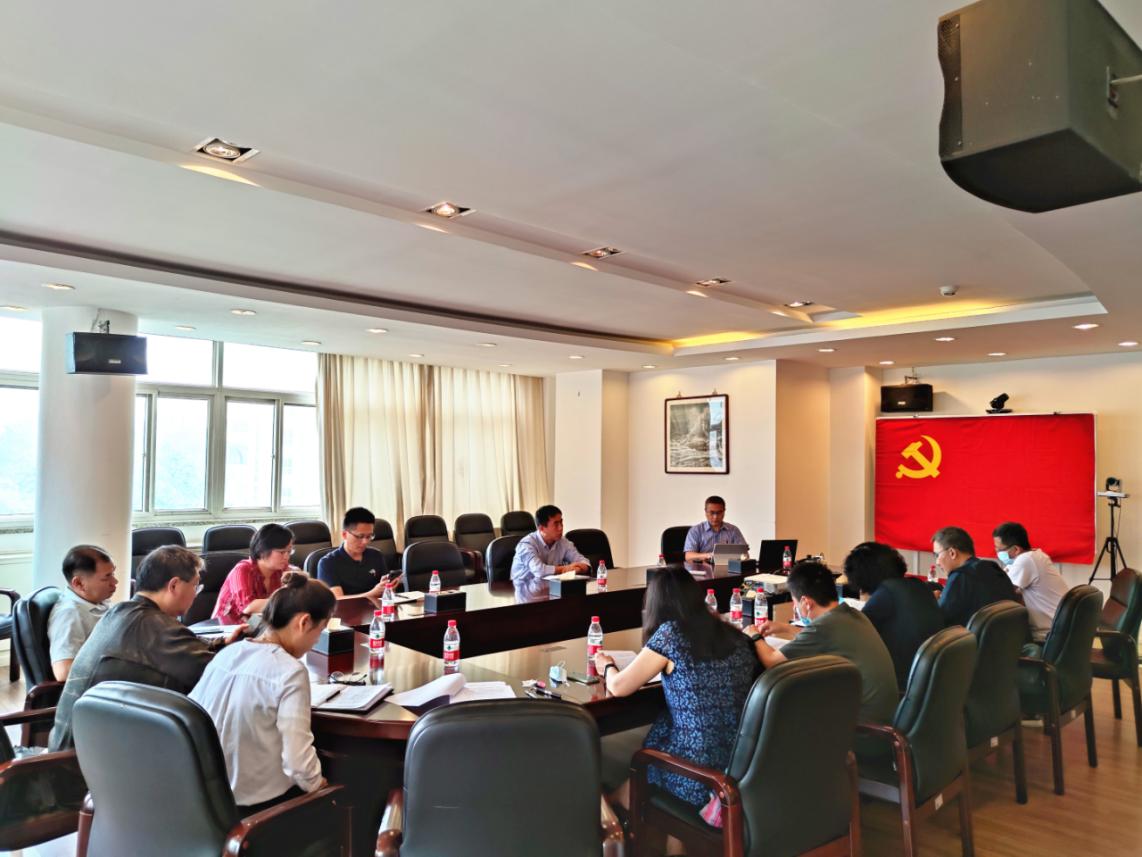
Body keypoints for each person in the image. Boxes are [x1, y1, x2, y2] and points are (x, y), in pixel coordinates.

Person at [594, 564, 760, 831]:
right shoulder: (732, 633)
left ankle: (610, 812)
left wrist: (606, 665)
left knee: (645, 764)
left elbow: (619, 687)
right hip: (740, 767)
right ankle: (674, 844)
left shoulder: (671, 635)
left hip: (698, 778)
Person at [49, 546, 247, 751]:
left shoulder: (125, 612)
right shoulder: (154, 626)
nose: (195, 594)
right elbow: (220, 676)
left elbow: (179, 649)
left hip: (87, 743)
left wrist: (221, 644)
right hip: (84, 758)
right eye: (195, 586)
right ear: (174, 585)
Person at [190, 572, 333, 813]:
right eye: (321, 630)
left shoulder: (228, 653)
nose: (316, 641)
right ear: (304, 622)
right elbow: (297, 763)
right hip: (257, 808)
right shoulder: (290, 671)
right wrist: (318, 784)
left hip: (205, 800)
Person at [747, 561, 897, 725]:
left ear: (806, 602)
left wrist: (754, 635)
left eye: (795, 603)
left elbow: (772, 661)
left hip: (864, 727)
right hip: (883, 716)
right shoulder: (850, 614)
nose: (795, 608)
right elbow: (818, 636)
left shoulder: (824, 628)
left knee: (783, 702)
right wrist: (785, 628)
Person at [844, 542, 944, 690]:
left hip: (899, 686)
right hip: (927, 681)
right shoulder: (918, 585)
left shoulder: (887, 593)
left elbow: (856, 636)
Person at [48, 545, 118, 681]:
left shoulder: (98, 601)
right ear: (79, 583)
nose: (115, 582)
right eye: (107, 577)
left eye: (113, 574)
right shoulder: (70, 615)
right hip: (104, 685)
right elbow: (63, 672)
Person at [993, 522, 1069, 642]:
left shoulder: (1026, 560)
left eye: (999, 549)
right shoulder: (1035, 555)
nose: (997, 553)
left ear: (1016, 549)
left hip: (1049, 635)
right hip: (1061, 627)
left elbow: (1002, 593)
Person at [933, 526, 1017, 628]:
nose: (937, 562)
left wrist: (932, 602)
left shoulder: (960, 576)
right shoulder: (994, 569)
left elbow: (938, 621)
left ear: (952, 553)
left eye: (937, 555)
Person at [213, 523, 295, 623]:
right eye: (282, 552)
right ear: (263, 550)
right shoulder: (242, 570)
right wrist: (286, 602)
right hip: (226, 627)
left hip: (256, 624)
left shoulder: (282, 570)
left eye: (289, 551)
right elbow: (249, 607)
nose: (287, 557)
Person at [316, 507, 394, 598]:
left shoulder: (376, 555)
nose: (365, 542)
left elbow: (386, 593)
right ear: (345, 535)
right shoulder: (328, 563)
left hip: (377, 606)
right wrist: (372, 593)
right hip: (347, 607)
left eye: (369, 536)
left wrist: (389, 588)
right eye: (360, 536)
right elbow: (338, 599)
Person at [510, 505, 589, 584]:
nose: (561, 528)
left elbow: (584, 562)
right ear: (541, 528)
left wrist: (578, 569)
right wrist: (565, 568)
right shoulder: (526, 544)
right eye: (556, 524)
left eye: (561, 522)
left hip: (548, 586)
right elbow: (539, 570)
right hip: (520, 587)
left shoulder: (563, 542)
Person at [683, 495, 747, 562]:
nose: (715, 517)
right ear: (705, 512)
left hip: (728, 566)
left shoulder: (733, 530)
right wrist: (709, 555)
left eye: (719, 513)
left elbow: (745, 554)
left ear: (724, 512)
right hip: (703, 566)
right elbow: (688, 556)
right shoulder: (696, 531)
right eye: (711, 512)